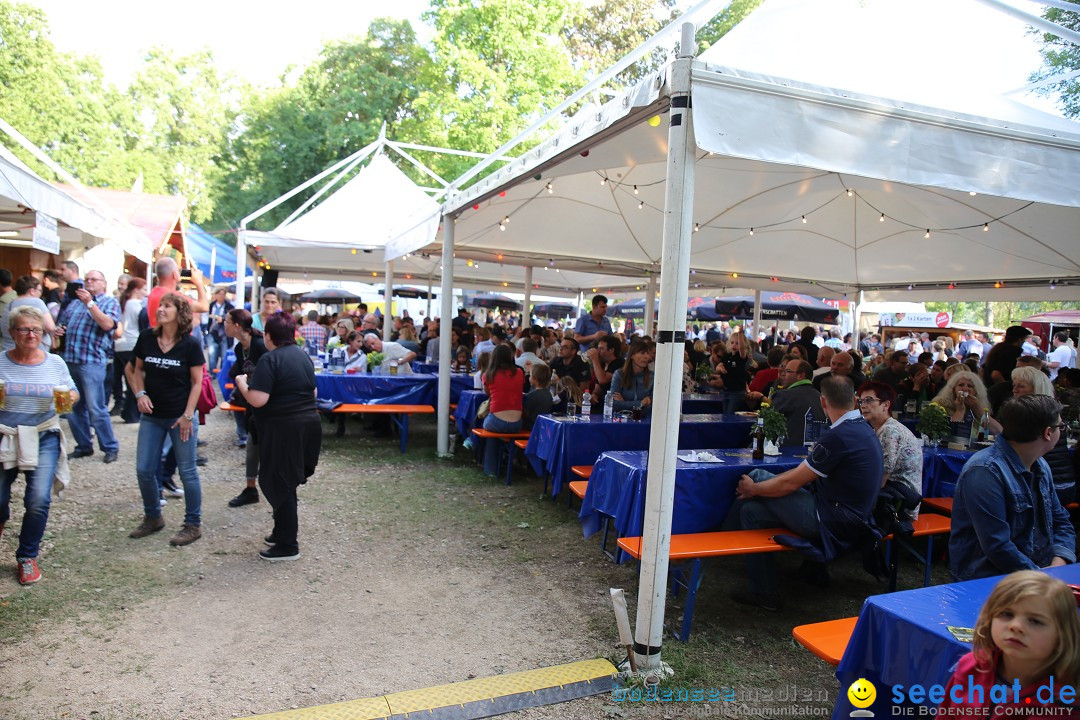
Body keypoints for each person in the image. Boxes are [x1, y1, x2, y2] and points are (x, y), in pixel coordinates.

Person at [726, 377, 883, 610]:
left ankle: (724, 541)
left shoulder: (839, 435)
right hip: (853, 517)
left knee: (757, 475)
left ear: (823, 402)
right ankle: (765, 591)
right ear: (855, 400)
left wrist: (755, 489)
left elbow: (791, 483)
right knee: (752, 511)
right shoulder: (862, 429)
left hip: (832, 520)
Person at [949, 395, 1075, 581]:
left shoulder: (1040, 465)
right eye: (1061, 427)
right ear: (1048, 433)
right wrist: (1044, 578)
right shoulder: (984, 471)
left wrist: (1058, 564)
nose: (1062, 431)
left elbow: (1061, 521)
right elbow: (997, 546)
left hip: (1039, 575)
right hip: (991, 582)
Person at [0, 306, 78, 584]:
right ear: (12, 333)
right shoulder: (0, 361)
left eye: (36, 329)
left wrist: (68, 398)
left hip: (43, 434)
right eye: (23, 329)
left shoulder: (55, 363)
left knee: (38, 500)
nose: (30, 335)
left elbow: (72, 392)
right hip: (4, 434)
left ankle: (26, 556)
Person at [235, 313, 322, 562]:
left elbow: (257, 399)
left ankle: (287, 545)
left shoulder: (269, 359)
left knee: (278, 482)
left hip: (284, 430)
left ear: (269, 336)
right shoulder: (302, 356)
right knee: (286, 481)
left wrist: (242, 382)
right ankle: (281, 532)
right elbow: (313, 390)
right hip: (307, 427)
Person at [937, 571, 1080, 715]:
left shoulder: (1066, 701)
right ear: (990, 618)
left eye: (1035, 621)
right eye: (1007, 614)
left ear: (1063, 634)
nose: (1016, 626)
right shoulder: (970, 667)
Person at [127, 293, 205, 547]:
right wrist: (140, 393)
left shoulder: (190, 344)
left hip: (180, 417)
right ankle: (153, 517)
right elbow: (136, 369)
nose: (160, 309)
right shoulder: (147, 337)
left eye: (167, 306)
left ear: (179, 313)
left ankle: (193, 524)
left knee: (187, 471)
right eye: (160, 305)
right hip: (152, 416)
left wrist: (187, 416)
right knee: (144, 469)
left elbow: (197, 383)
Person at [55, 268, 121, 464]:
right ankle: (84, 446)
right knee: (71, 407)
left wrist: (90, 303)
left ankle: (110, 447)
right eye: (87, 279)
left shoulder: (109, 302)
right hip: (70, 360)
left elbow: (108, 325)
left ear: (104, 284)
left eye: (94, 279)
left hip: (92, 362)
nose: (89, 282)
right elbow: (64, 324)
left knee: (96, 408)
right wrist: (60, 331)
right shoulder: (74, 303)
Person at [1008, 366, 1077, 506]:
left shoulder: (1037, 415)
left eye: (1021, 386)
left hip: (1053, 487)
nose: (1015, 389)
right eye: (1014, 385)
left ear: (1036, 389)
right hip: (1061, 483)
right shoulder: (1050, 410)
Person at [857, 381, 923, 518]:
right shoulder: (879, 428)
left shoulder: (890, 432)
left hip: (900, 506)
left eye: (869, 400)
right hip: (891, 498)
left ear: (886, 405)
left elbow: (880, 479)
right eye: (861, 401)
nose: (863, 405)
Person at [223, 309, 267, 506]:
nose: (224, 325)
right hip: (252, 404)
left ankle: (281, 490)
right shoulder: (239, 349)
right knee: (252, 445)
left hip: (268, 406)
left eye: (227, 322)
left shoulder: (261, 346)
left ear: (237, 326)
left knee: (269, 448)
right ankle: (251, 489)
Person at [480, 344, 524, 477]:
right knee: (494, 431)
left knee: (487, 427)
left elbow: (488, 393)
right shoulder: (519, 373)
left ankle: (489, 469)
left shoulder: (488, 375)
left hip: (496, 422)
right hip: (516, 424)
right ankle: (509, 462)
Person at [768, 359, 826, 445]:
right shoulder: (820, 396)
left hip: (787, 453)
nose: (783, 374)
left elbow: (767, 427)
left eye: (788, 371)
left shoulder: (784, 396)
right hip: (815, 451)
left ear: (801, 375)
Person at [114, 278, 147, 424]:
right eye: (144, 290)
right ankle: (132, 413)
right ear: (136, 290)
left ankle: (128, 411)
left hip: (120, 345)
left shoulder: (123, 303)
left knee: (127, 380)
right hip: (132, 343)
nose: (145, 293)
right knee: (134, 380)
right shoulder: (135, 304)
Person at [931, 367, 991, 439]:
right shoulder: (940, 403)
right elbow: (947, 435)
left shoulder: (979, 407)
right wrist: (960, 411)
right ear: (953, 389)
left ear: (976, 392)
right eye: (961, 385)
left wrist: (979, 411)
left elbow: (998, 431)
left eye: (970, 386)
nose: (965, 389)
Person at [1, 275, 56, 352]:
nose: (40, 294)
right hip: (31, 352)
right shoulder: (36, 302)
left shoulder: (9, 304)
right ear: (32, 291)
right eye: (40, 290)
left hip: (8, 350)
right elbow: (50, 327)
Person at [609, 339, 654, 415]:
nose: (646, 356)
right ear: (632, 355)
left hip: (644, 421)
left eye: (647, 353)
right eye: (642, 353)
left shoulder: (652, 376)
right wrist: (641, 403)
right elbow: (614, 404)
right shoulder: (619, 374)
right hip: (621, 420)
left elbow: (652, 405)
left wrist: (624, 403)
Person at [586, 334, 622, 406]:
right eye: (598, 348)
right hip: (602, 402)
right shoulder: (602, 363)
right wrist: (594, 394)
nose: (598, 351)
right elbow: (598, 386)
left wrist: (595, 359)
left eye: (601, 349)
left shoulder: (619, 363)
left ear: (611, 350)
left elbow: (602, 380)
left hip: (614, 403)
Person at [205, 288, 234, 371]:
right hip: (212, 332)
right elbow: (209, 319)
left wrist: (222, 318)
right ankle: (213, 373)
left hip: (224, 333)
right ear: (216, 295)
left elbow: (231, 317)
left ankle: (222, 372)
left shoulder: (229, 306)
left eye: (223, 294)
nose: (221, 296)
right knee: (212, 354)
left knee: (224, 354)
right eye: (220, 294)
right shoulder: (212, 305)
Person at [523, 363, 554, 430]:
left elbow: (525, 412)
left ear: (536, 380)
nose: (529, 377)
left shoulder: (532, 396)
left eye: (530, 375)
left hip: (530, 426)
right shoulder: (548, 394)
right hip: (543, 426)